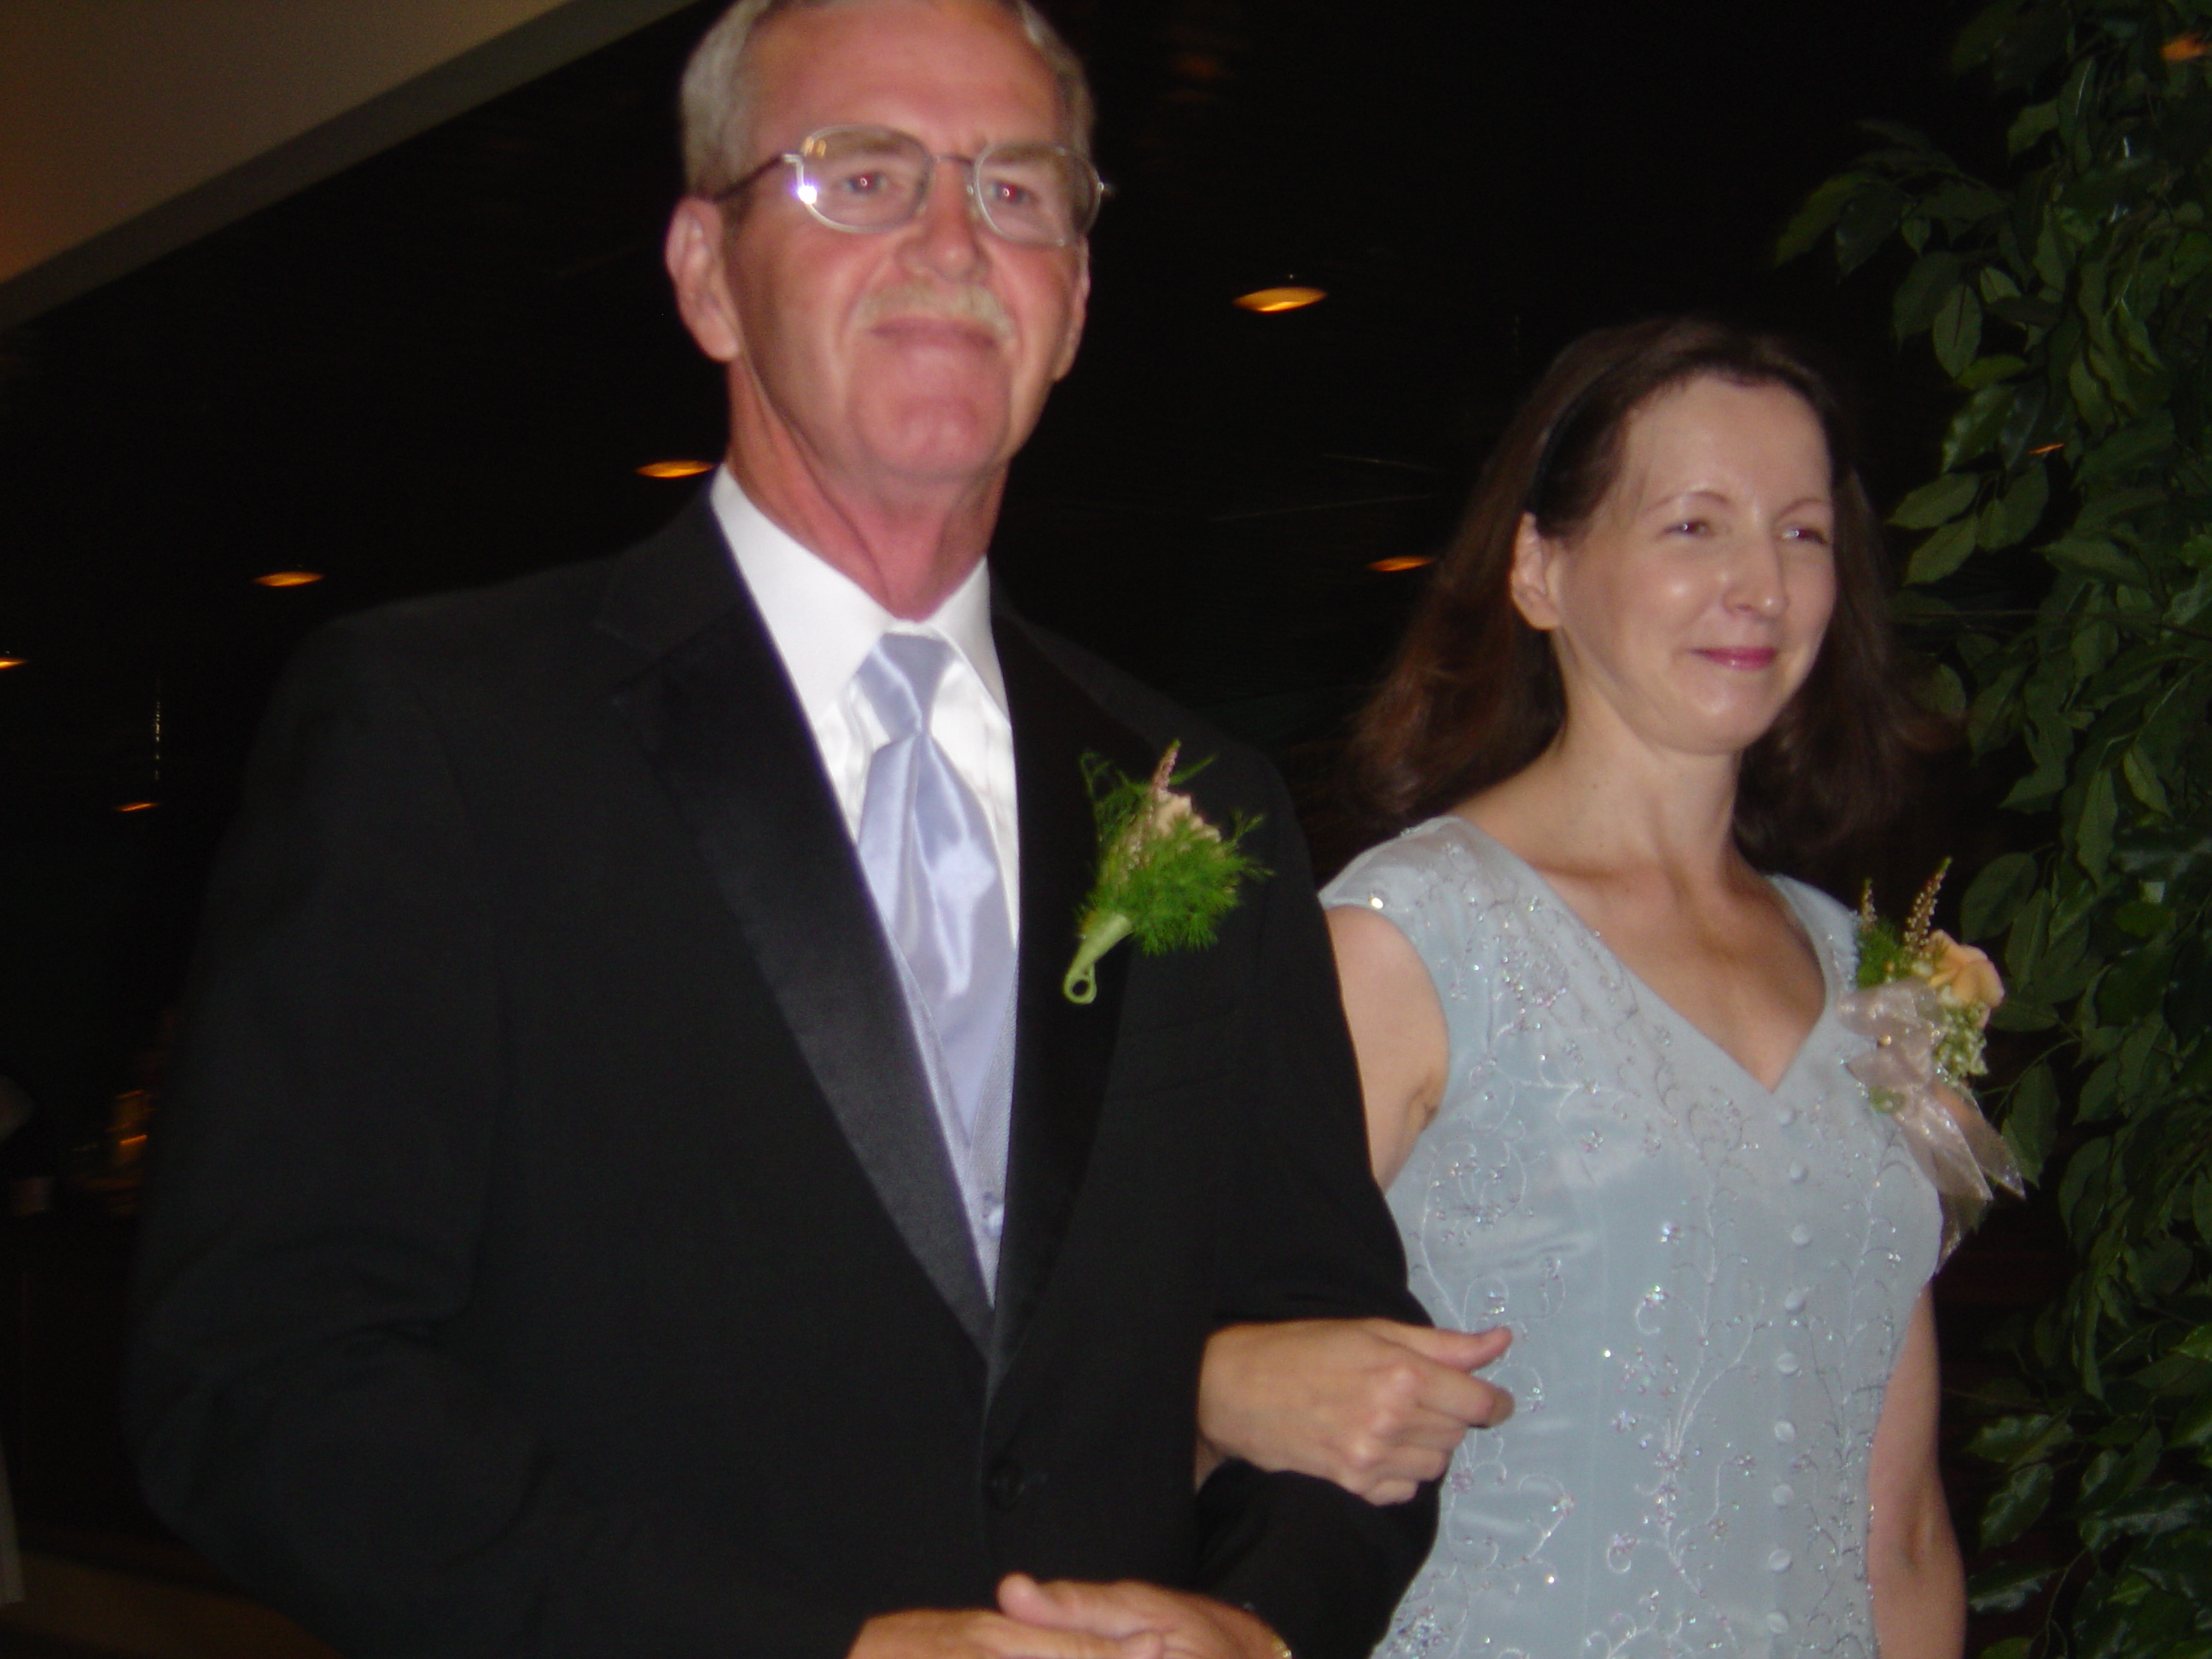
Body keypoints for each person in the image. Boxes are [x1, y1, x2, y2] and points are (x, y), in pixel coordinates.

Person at [123, 3, 1482, 1655]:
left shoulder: (1200, 796)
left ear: (1071, 304)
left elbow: (1331, 1330)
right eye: (861, 175)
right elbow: (261, 1384)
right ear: (707, 275)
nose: (951, 242)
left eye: (1015, 191)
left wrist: (1258, 1624)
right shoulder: (445, 734)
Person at [1196, 319, 1966, 1659]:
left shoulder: (1869, 975)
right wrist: (1209, 1391)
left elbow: (1896, 1526)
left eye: (1800, 533)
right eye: (1693, 527)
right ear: (1540, 570)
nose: (1759, 586)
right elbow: (1147, 1370)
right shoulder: (1412, 940)